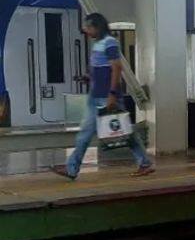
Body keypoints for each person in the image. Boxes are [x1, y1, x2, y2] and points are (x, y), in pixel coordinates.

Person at [52, 13, 154, 179]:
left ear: (97, 27)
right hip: (95, 96)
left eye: (89, 27)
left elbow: (116, 68)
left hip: (107, 97)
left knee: (125, 132)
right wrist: (88, 78)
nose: (86, 30)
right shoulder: (98, 44)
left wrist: (112, 94)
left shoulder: (109, 42)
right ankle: (71, 169)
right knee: (90, 132)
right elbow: (102, 70)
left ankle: (145, 163)